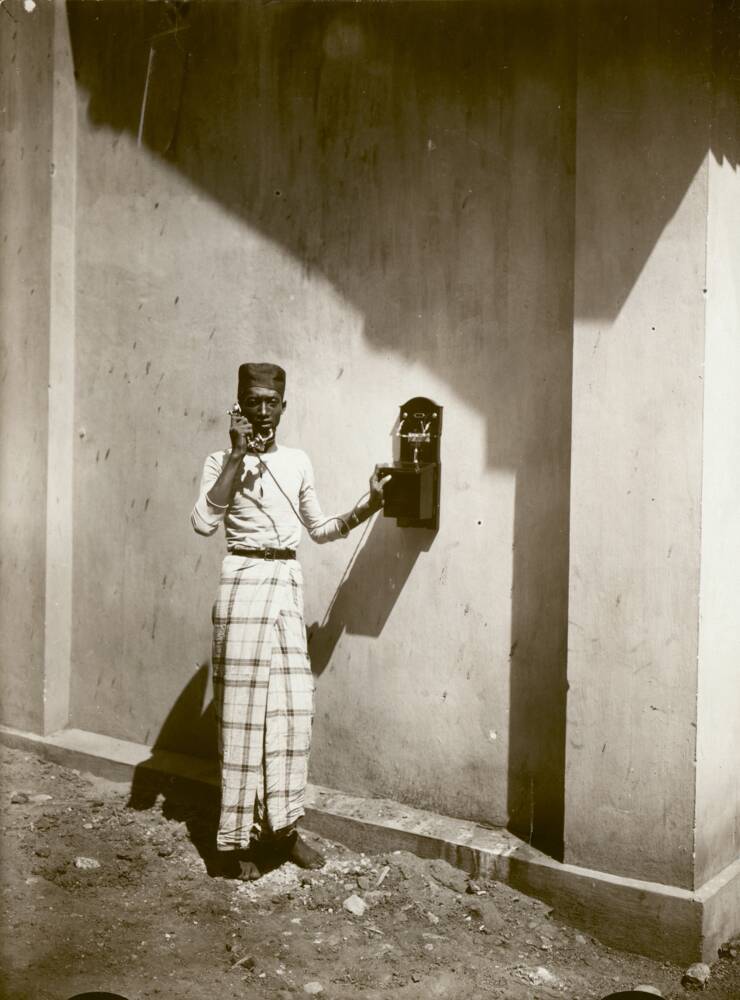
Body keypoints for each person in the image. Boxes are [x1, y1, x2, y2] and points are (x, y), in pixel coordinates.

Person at [191, 362, 389, 880]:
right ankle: (236, 844)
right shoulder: (220, 460)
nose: (262, 412)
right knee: (240, 716)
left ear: (283, 405)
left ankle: (284, 831)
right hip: (243, 581)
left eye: (270, 403)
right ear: (238, 405)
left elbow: (320, 529)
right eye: (252, 402)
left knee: (290, 713)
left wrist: (369, 503)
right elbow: (203, 521)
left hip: (286, 588)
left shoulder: (298, 461)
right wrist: (237, 454)